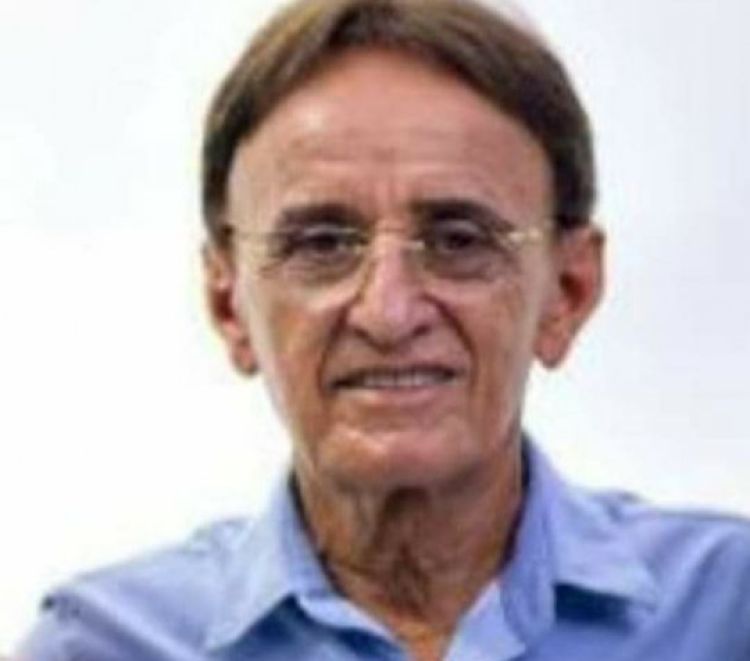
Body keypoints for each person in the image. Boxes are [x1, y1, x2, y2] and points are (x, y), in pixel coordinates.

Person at [17, 0, 750, 659]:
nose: (388, 313)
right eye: (322, 244)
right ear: (228, 303)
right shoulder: (103, 646)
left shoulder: (726, 612)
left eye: (459, 239)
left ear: (568, 290)